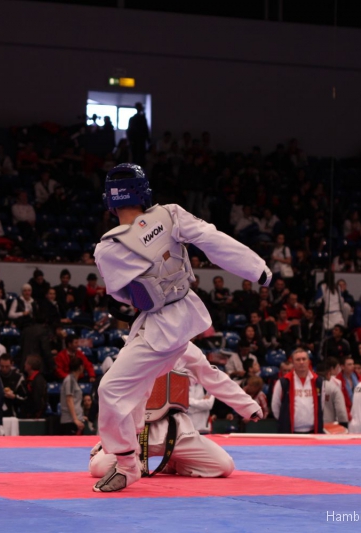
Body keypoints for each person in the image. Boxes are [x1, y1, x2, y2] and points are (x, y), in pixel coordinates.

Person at [93, 163, 272, 492]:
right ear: (144, 193)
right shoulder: (170, 214)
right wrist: (257, 269)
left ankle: (127, 464)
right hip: (179, 315)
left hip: (162, 326)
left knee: (112, 390)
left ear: (110, 202)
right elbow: (213, 240)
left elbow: (126, 297)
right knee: (133, 389)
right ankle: (124, 454)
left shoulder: (107, 249)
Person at [90, 343, 263, 479]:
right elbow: (114, 392)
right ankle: (112, 449)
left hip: (178, 431)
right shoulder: (132, 347)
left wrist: (248, 406)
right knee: (99, 468)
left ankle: (175, 461)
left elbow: (215, 378)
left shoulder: (188, 350)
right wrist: (114, 436)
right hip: (138, 431)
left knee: (224, 466)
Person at [272, 348, 323, 434]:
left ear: (308, 361)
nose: (301, 362)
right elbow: (275, 406)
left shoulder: (318, 381)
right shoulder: (283, 382)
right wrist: (284, 420)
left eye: (304, 359)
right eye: (298, 360)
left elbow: (321, 405)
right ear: (293, 362)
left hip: (313, 431)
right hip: (290, 431)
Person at [60, 357, 85, 435]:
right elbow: (69, 400)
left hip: (76, 420)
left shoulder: (74, 380)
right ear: (80, 367)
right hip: (70, 421)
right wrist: (75, 419)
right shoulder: (69, 380)